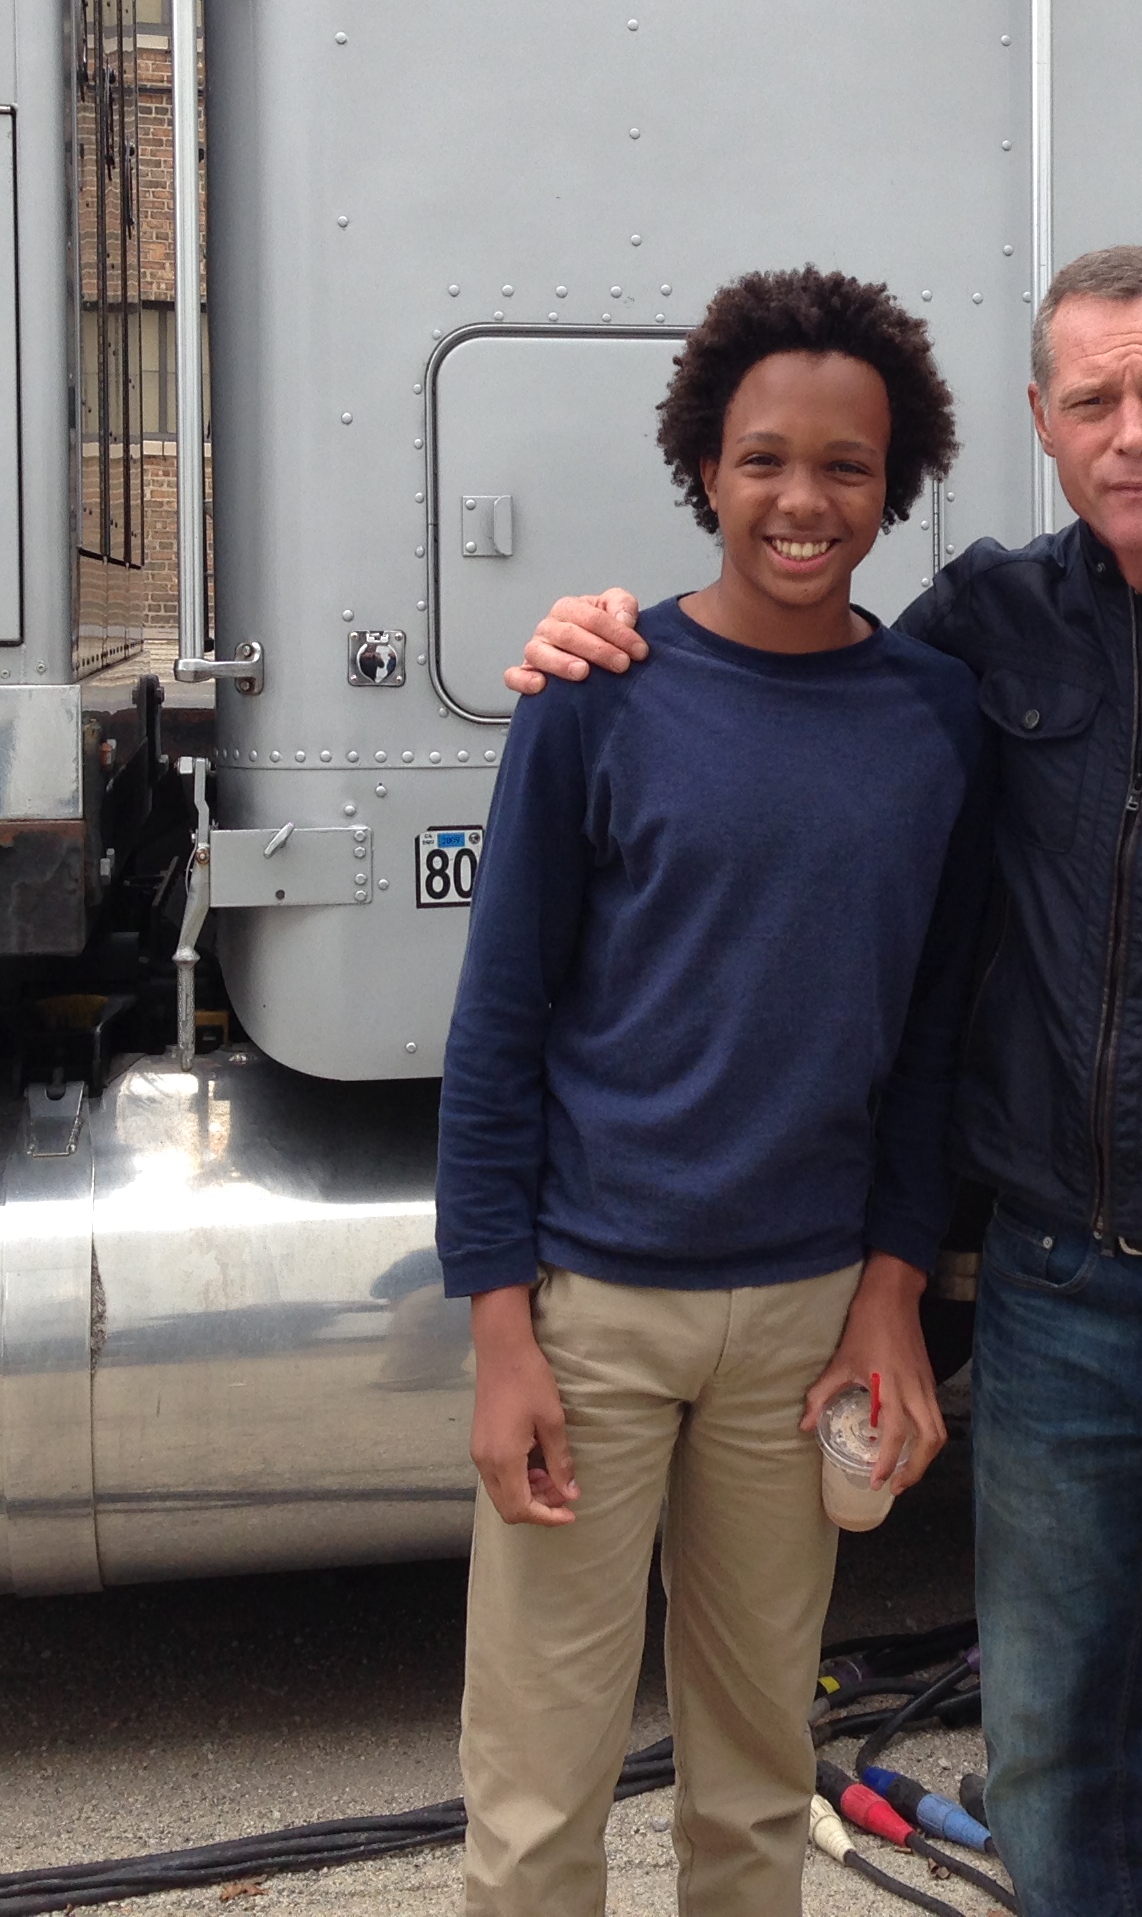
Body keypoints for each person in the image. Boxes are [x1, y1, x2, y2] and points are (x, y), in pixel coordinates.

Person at [510, 245, 1142, 1917]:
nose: (1131, 432)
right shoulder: (992, 624)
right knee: (1057, 1766)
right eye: (1093, 402)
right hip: (1063, 1289)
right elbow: (797, 661)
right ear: (1042, 425)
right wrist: (609, 630)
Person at [436, 267, 990, 1917]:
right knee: (539, 1800)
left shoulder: (938, 721)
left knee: (755, 1795)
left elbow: (930, 1047)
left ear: (894, 485)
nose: (802, 501)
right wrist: (501, 1336)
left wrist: (893, 1297)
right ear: (705, 469)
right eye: (763, 461)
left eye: (844, 465)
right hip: (594, 1310)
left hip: (808, 1327)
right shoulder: (597, 699)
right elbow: (500, 1026)